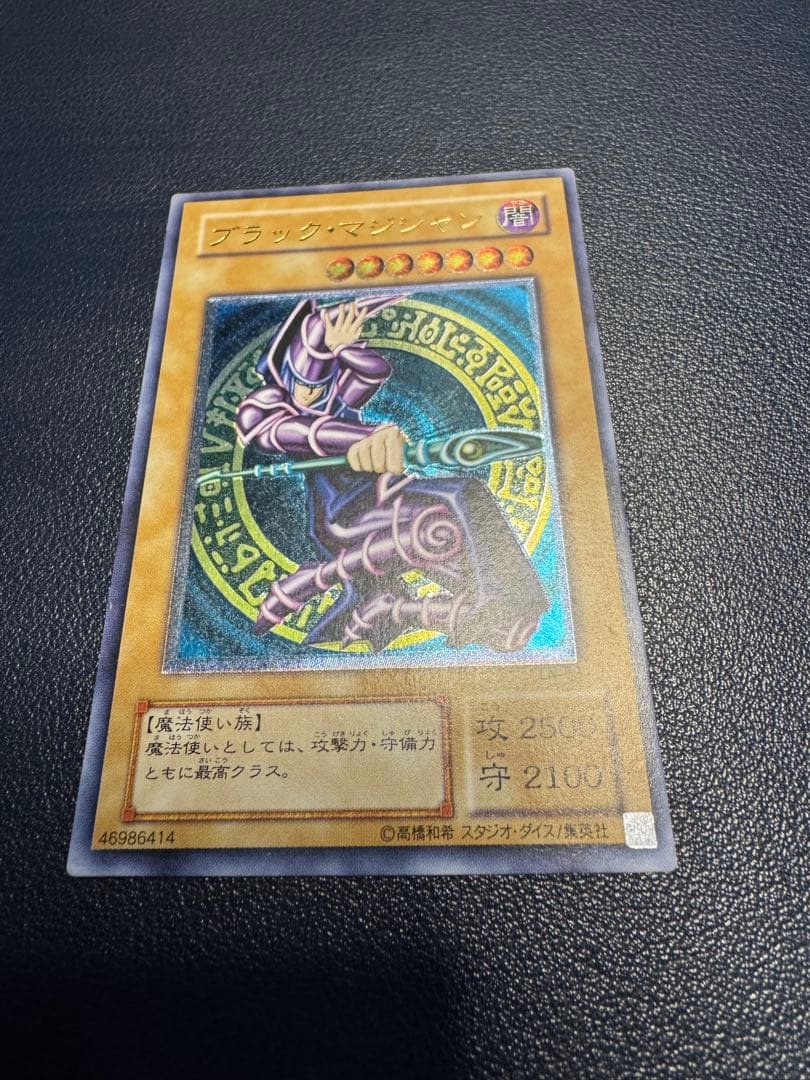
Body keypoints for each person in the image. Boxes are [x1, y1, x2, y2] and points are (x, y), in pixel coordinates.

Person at [236, 296, 547, 651]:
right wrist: (363, 438)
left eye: (320, 387)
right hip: (343, 514)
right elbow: (300, 433)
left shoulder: (334, 400)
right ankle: (495, 601)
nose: (312, 396)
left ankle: (493, 602)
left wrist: (344, 348)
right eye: (304, 387)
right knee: (457, 498)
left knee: (461, 502)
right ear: (286, 379)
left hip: (381, 495)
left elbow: (374, 371)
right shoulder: (273, 413)